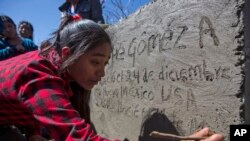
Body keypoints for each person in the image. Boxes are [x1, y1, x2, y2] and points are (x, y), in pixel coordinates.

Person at [0, 15, 224, 141]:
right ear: (69, 54)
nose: (102, 73)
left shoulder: (61, 70)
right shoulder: (39, 76)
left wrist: (33, 133)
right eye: (95, 62)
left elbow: (31, 106)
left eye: (105, 63)